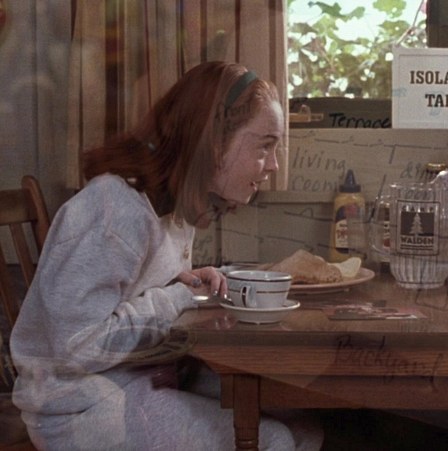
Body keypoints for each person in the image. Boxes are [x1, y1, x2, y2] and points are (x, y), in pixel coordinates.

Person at [10, 62, 322, 450]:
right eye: (264, 146)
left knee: (304, 424)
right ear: (213, 142)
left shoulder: (173, 208)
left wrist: (178, 284)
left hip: (136, 380)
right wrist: (176, 298)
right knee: (273, 441)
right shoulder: (113, 210)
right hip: (78, 408)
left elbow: (133, 294)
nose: (273, 165)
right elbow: (73, 346)